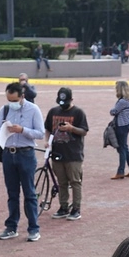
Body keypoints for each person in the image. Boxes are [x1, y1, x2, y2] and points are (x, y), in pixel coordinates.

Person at [0, 82, 45, 242]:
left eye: (14, 100)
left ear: (22, 96)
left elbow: (40, 133)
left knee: (29, 193)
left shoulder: (33, 109)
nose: (12, 103)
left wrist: (22, 130)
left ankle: (33, 228)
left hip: (26, 154)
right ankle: (11, 227)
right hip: (9, 154)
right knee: (12, 193)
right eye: (9, 100)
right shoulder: (5, 109)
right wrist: (4, 129)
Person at [44, 87, 89, 221]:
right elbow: (48, 128)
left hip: (73, 154)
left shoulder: (78, 112)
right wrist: (47, 141)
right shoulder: (53, 111)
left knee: (75, 182)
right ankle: (63, 206)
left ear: (71, 99)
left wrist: (71, 128)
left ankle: (76, 208)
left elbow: (84, 131)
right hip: (57, 153)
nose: (62, 106)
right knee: (61, 182)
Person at [110, 80, 129, 180]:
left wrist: (111, 110)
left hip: (121, 125)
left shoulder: (122, 101)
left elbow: (114, 111)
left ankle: (121, 171)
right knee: (125, 147)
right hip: (127, 123)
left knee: (121, 149)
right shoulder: (128, 99)